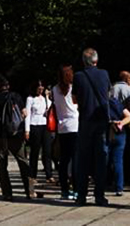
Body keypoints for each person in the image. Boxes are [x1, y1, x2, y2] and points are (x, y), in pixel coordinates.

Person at [71, 48, 112, 207]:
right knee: (101, 159)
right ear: (96, 60)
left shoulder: (78, 76)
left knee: (83, 160)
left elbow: (74, 100)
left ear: (83, 61)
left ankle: (81, 195)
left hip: (86, 120)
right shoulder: (104, 74)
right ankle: (99, 196)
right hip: (101, 120)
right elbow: (107, 94)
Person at [0, 75, 31, 201]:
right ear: (8, 86)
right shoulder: (16, 96)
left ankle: (7, 193)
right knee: (23, 162)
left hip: (0, 136)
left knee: (2, 165)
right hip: (16, 135)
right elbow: (24, 113)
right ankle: (29, 191)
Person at [51, 64, 79, 201]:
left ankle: (64, 189)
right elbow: (76, 104)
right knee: (75, 159)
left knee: (64, 160)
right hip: (74, 125)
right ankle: (76, 188)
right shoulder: (73, 88)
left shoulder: (54, 89)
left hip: (62, 127)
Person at [110, 71, 130, 185]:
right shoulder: (129, 89)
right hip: (126, 121)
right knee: (127, 150)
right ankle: (126, 175)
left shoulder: (112, 88)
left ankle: (113, 177)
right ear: (128, 79)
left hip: (113, 121)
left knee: (113, 151)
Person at [106, 83, 130, 197]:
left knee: (105, 160)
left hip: (107, 132)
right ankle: (119, 187)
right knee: (118, 161)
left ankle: (106, 183)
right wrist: (121, 123)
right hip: (119, 132)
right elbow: (129, 116)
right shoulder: (116, 102)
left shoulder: (101, 104)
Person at [24, 81, 53, 184]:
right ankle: (32, 175)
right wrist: (27, 130)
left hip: (45, 125)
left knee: (47, 151)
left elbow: (49, 107)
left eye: (42, 88)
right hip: (34, 125)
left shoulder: (45, 98)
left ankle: (49, 174)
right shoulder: (30, 99)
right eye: (39, 88)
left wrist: (47, 96)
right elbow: (28, 115)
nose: (40, 90)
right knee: (35, 152)